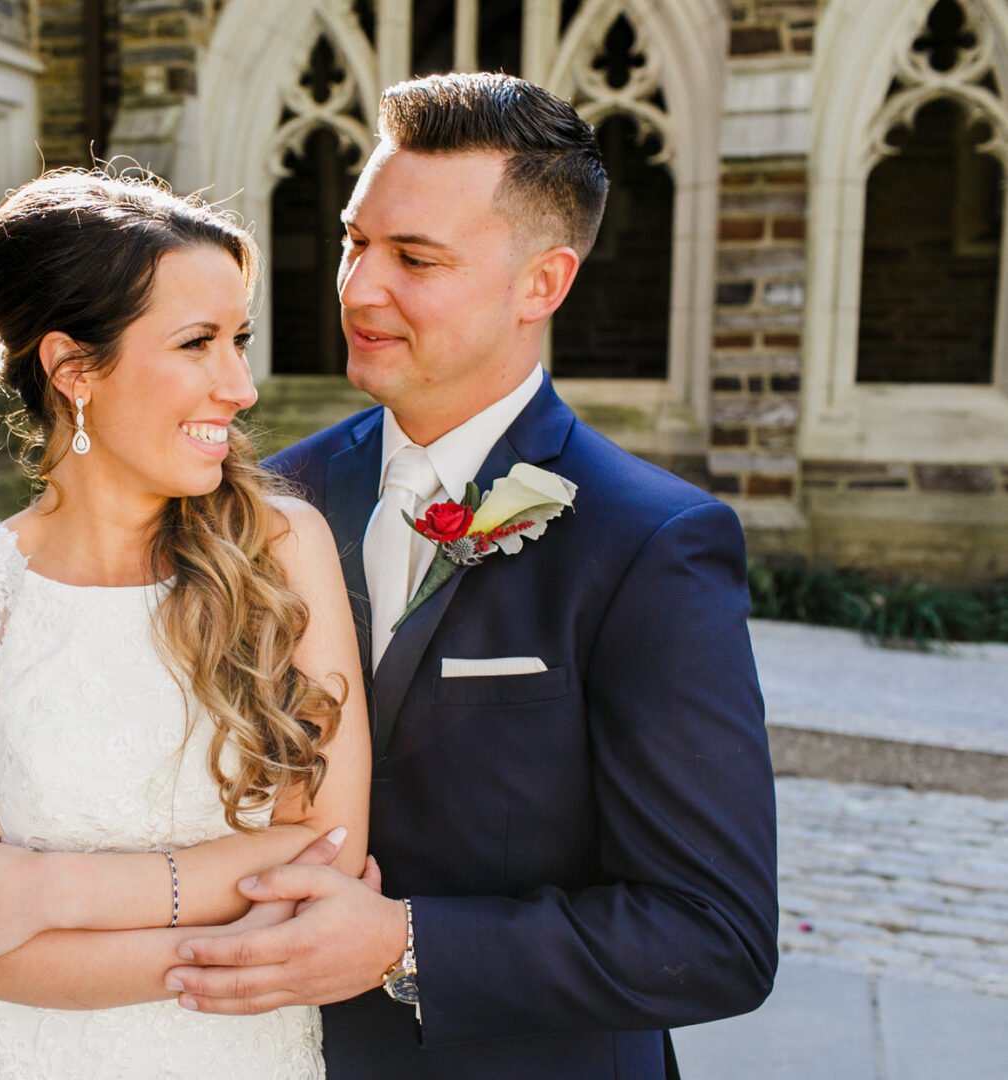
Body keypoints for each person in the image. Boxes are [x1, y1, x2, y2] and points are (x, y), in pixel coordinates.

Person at [159, 71, 779, 1078]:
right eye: (359, 242)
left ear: (542, 283)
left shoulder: (652, 544)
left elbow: (715, 934)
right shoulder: (269, 497)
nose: (359, 288)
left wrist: (404, 941)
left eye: (415, 257)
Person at [0, 170, 371, 1078]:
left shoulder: (284, 549)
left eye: (240, 341)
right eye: (198, 344)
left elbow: (328, 856)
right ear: (72, 370)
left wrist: (46, 891)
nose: (241, 386)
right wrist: (251, 933)